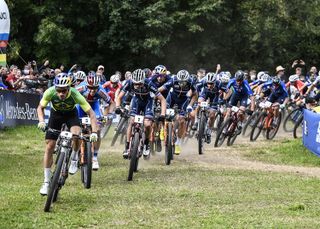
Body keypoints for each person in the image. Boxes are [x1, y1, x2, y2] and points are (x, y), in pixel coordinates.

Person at [37, 73, 98, 195]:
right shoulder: (50, 92)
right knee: (49, 146)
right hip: (56, 115)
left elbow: (91, 113)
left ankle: (75, 157)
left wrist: (94, 132)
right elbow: (40, 108)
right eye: (58, 90)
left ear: (69, 88)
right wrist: (42, 121)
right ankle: (46, 182)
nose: (61, 94)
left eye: (64, 90)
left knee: (76, 135)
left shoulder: (76, 94)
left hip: (71, 114)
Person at [116, 69, 166, 158]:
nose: (137, 86)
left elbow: (162, 99)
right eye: (135, 84)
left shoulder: (149, 83)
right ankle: (127, 147)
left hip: (148, 102)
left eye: (139, 84)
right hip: (137, 101)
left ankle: (146, 144)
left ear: (143, 81)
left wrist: (162, 114)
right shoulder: (129, 82)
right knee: (131, 121)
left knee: (147, 124)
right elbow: (119, 97)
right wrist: (118, 108)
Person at [71, 71, 113, 171]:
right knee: (76, 131)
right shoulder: (81, 88)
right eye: (90, 88)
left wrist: (108, 115)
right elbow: (70, 98)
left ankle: (94, 157)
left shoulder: (101, 90)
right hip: (81, 106)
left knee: (97, 130)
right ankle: (75, 153)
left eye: (95, 88)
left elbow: (111, 103)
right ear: (87, 85)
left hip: (94, 107)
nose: (93, 90)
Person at [159, 70, 197, 154]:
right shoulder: (173, 79)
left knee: (182, 120)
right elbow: (162, 88)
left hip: (183, 101)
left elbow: (195, 95)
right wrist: (154, 93)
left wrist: (190, 105)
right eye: (180, 81)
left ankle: (178, 144)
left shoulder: (190, 82)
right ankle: (162, 128)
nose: (182, 83)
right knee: (164, 113)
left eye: (184, 82)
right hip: (171, 98)